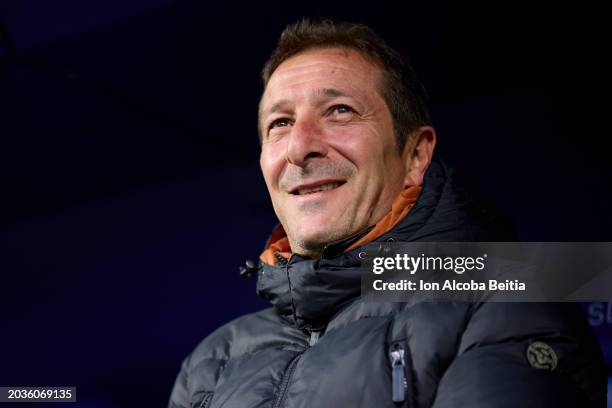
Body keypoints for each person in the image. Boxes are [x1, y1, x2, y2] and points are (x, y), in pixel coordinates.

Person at [169, 19, 606, 407]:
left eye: (339, 111)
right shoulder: (212, 362)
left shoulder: (503, 298)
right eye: (280, 123)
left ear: (415, 156)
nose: (300, 148)